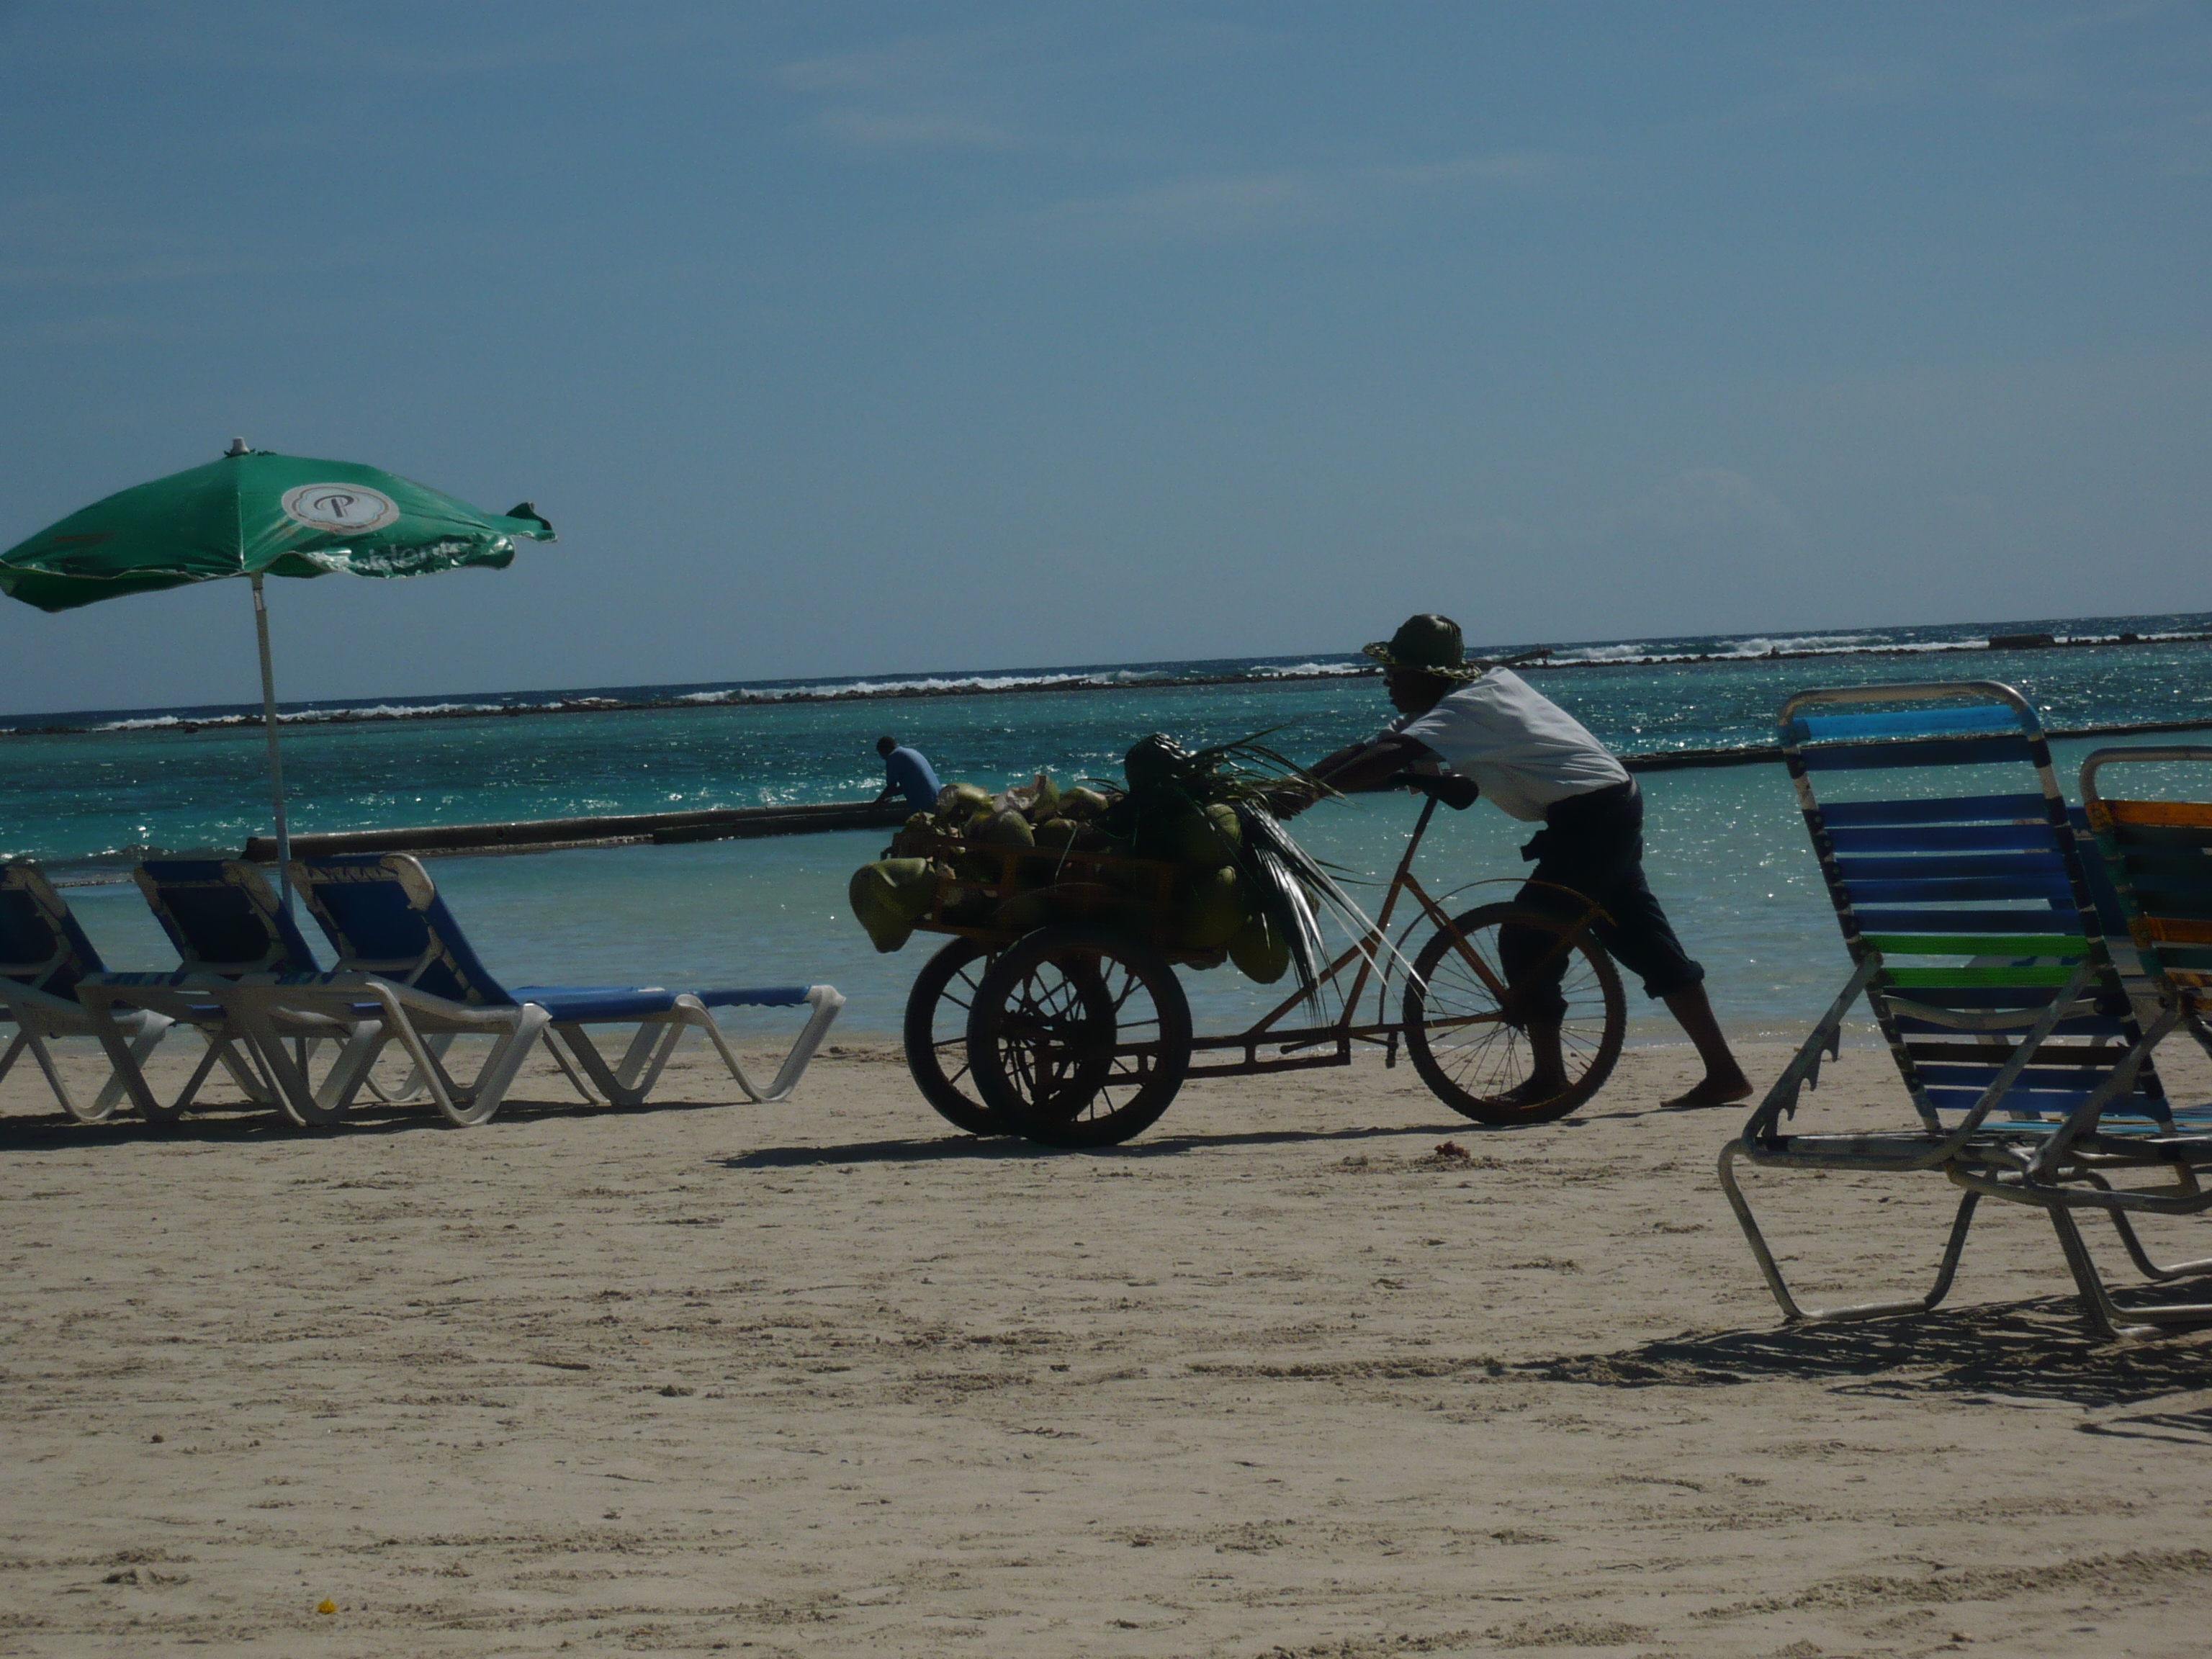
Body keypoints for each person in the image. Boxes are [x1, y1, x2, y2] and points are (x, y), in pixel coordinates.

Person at [1274, 613, 1750, 1110]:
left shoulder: (1469, 706)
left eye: (1397, 672)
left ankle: (1550, 1079)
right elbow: (1367, 750)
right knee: (1641, 939)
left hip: (1593, 816)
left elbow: (1392, 754)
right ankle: (1724, 1073)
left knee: (1527, 936)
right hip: (1603, 807)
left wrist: (1304, 798)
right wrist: (1287, 789)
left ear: (1429, 675)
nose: (1387, 682)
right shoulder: (1444, 707)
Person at [873, 735, 941, 813]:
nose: (883, 758)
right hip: (938, 797)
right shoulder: (911, 751)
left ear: (884, 750)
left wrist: (877, 803)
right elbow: (913, 784)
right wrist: (888, 795)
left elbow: (891, 787)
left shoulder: (893, 757)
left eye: (881, 754)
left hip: (924, 801)